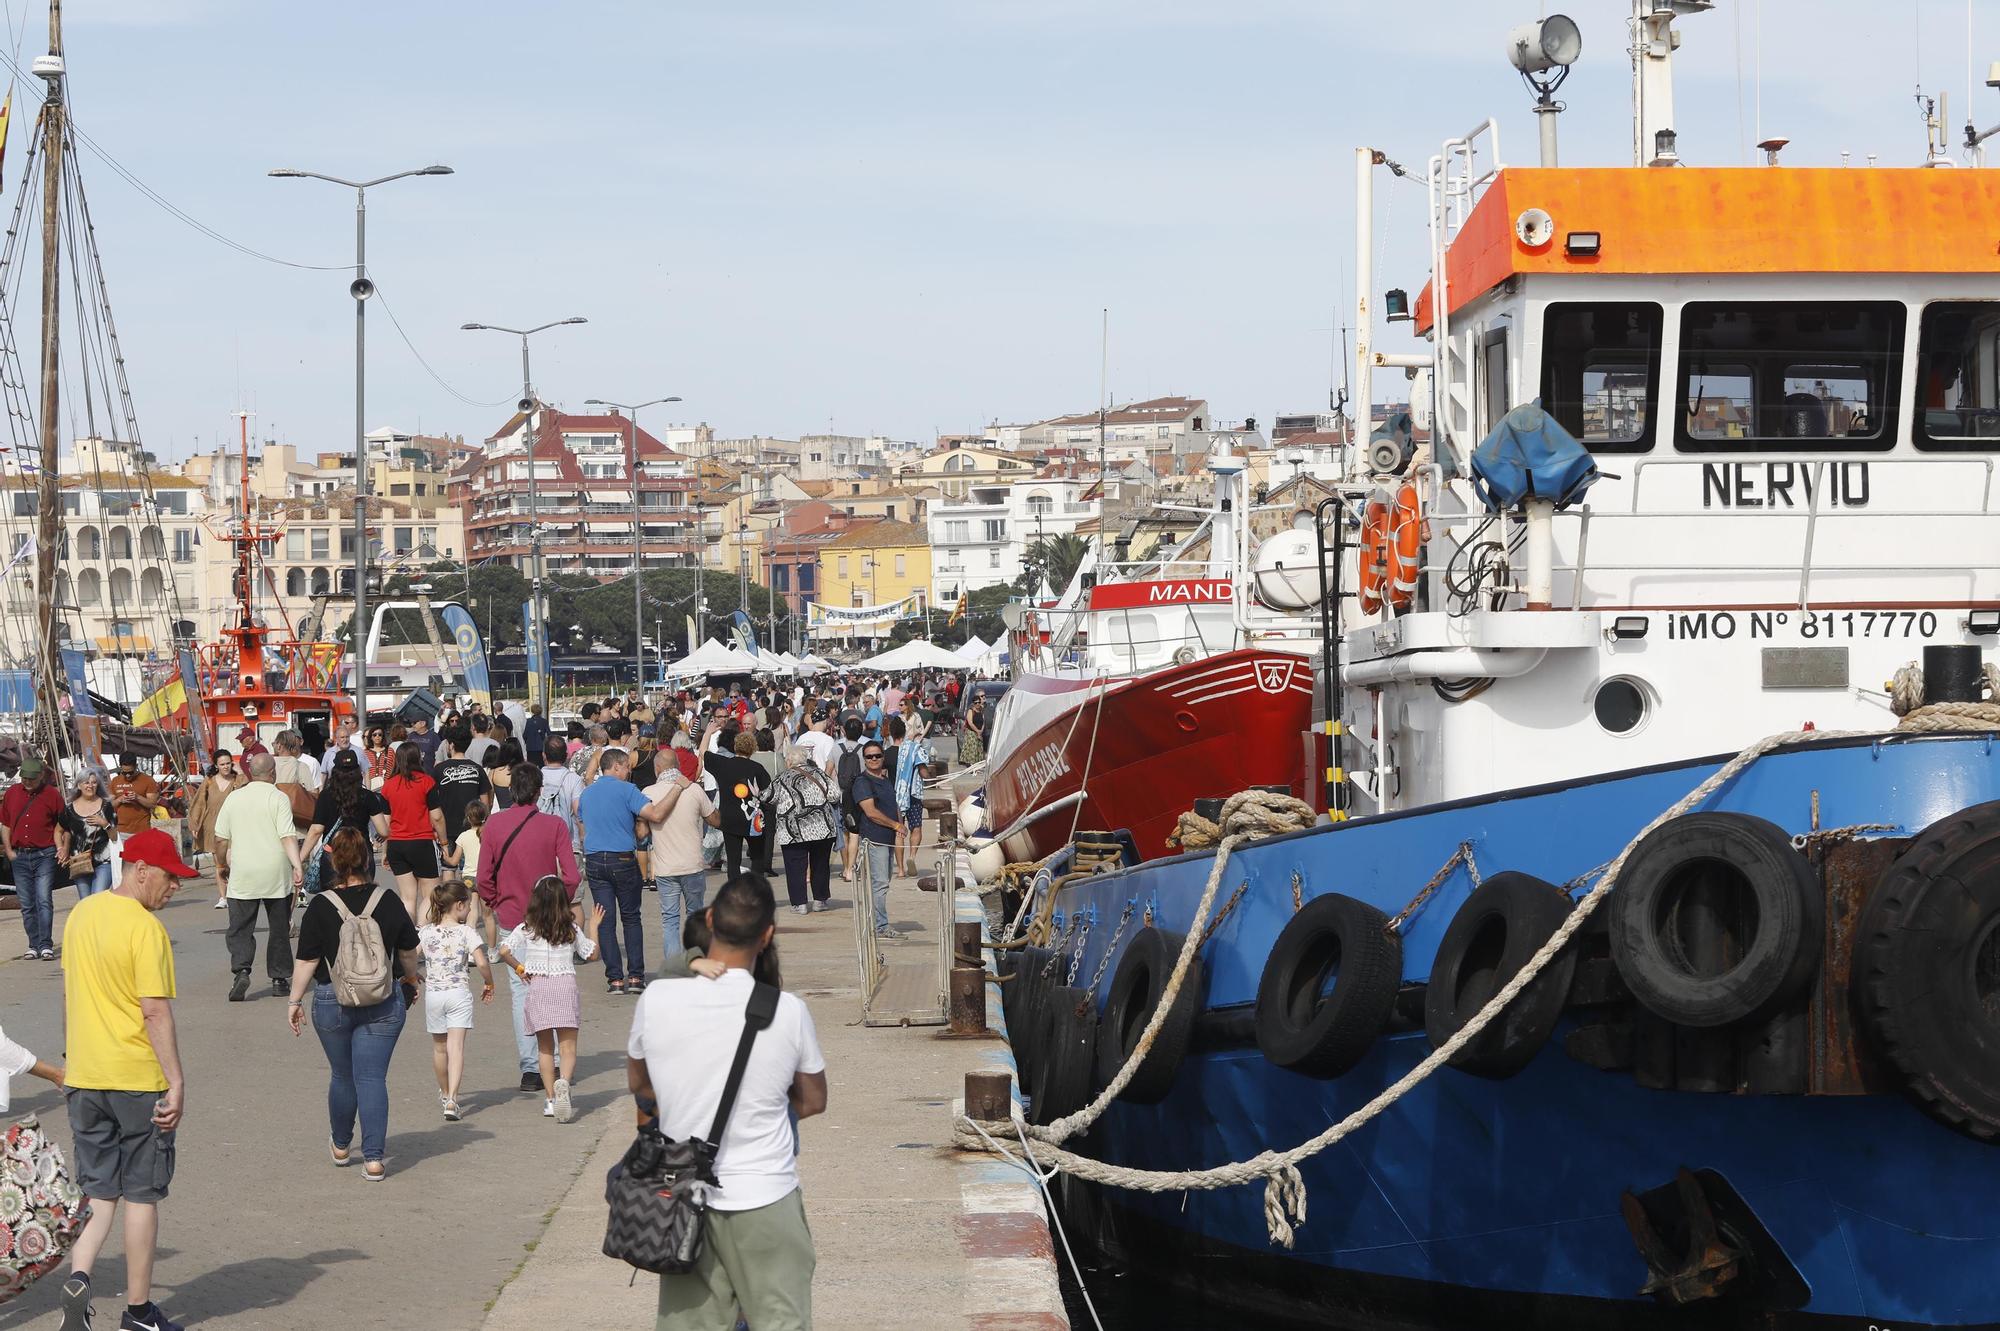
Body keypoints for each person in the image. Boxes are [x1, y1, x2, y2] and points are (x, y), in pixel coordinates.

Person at [627, 873, 826, 1331]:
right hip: (766, 1196)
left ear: (711, 919)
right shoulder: (786, 1009)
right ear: (768, 934)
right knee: (783, 1322)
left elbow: (640, 1083)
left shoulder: (657, 999)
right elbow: (814, 1100)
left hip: (684, 1197)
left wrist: (682, 1096)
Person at [56, 827, 195, 1331]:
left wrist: (72, 1055)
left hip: (86, 1075)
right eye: (169, 878)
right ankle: (138, 1312)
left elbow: (70, 993)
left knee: (97, 1190)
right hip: (136, 1079)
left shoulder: (82, 913)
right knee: (141, 1193)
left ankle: (79, 1277)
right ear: (140, 870)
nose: (174, 887)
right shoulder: (146, 929)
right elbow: (154, 1011)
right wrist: (175, 1081)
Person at [286, 827, 423, 1182]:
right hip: (382, 999)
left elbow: (306, 961)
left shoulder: (320, 906)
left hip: (333, 1000)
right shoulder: (389, 900)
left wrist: (294, 1000)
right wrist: (409, 979)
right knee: (372, 1077)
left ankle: (343, 1144)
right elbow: (408, 950)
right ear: (367, 860)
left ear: (333, 861)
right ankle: (375, 1158)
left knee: (343, 1075)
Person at [475, 764, 580, 1095]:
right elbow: (572, 875)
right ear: (538, 792)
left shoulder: (494, 824)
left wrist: (494, 901)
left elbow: (482, 877)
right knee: (557, 985)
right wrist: (561, 904)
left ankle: (532, 1067)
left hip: (511, 919)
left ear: (510, 790)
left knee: (523, 993)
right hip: (547, 919)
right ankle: (559, 1060)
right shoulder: (554, 825)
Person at [496, 876, 603, 1122]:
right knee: (567, 1049)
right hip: (564, 986)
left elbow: (503, 950)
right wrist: (594, 927)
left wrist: (521, 969)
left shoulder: (527, 928)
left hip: (539, 987)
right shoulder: (570, 928)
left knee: (545, 1049)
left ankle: (551, 1099)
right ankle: (563, 1082)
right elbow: (592, 954)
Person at [578, 747, 676, 994]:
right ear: (617, 766)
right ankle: (635, 977)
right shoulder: (628, 790)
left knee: (605, 919)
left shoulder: (587, 794)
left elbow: (581, 821)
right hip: (622, 858)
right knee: (631, 917)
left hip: (595, 859)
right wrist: (677, 789)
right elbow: (653, 813)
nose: (629, 772)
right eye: (627, 768)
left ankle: (615, 979)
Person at [213, 753, 304, 1003]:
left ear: (251, 772)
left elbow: (220, 838)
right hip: (275, 871)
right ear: (273, 772)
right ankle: (279, 979)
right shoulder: (279, 797)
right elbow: (287, 836)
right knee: (278, 927)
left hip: (244, 870)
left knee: (240, 927)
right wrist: (297, 866)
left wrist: (222, 863)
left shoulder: (234, 798)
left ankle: (241, 970)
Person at [643, 719, 724, 958]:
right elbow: (715, 820)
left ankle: (673, 969)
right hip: (692, 864)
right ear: (677, 766)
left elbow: (642, 830)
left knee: (670, 920)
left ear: (657, 769)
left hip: (665, 868)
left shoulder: (648, 793)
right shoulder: (694, 790)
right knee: (695, 915)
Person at [419, 880, 494, 1121]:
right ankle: (452, 1099)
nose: (471, 910)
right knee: (457, 1047)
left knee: (439, 1048)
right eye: (469, 906)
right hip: (459, 993)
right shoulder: (467, 932)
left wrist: (411, 974)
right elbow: (481, 962)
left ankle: (443, 1092)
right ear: (459, 905)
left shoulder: (427, 931)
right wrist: (489, 982)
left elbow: (409, 954)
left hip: (435, 995)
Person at [3, 754, 71, 961]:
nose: (27, 782)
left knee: (43, 899)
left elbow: (64, 826)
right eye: (24, 778)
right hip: (20, 854)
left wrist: (65, 847)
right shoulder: (12, 793)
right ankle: (33, 944)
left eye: (32, 778)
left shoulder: (53, 795)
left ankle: (45, 944)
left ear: (41, 776)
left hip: (45, 854)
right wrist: (8, 850)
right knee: (26, 902)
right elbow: (5, 824)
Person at [302, 748, 390, 895]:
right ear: (358, 772)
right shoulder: (367, 796)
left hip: (333, 853)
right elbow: (383, 830)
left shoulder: (326, 796)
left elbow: (316, 830)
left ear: (335, 771)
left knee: (334, 901)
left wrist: (300, 859)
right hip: (360, 852)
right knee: (361, 898)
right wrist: (382, 836)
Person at [378, 741, 444, 921]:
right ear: (417, 758)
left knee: (407, 897)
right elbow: (437, 817)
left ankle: (410, 936)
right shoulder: (427, 782)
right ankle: (423, 932)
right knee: (430, 895)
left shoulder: (388, 785)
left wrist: (385, 850)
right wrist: (444, 843)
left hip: (396, 844)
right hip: (422, 841)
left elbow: (386, 822)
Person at [773, 743, 838, 915]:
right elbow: (835, 795)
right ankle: (820, 900)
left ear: (788, 761)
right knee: (820, 864)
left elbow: (768, 796)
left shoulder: (782, 777)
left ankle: (799, 903)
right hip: (821, 828)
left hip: (793, 831)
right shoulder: (819, 773)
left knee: (795, 866)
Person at [852, 739, 905, 940]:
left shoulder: (884, 779)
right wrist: (895, 825)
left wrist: (899, 824)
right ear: (864, 760)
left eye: (877, 755)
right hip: (875, 838)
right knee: (880, 883)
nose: (874, 759)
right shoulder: (863, 782)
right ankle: (881, 926)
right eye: (869, 756)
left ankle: (878, 922)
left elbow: (893, 804)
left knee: (883, 882)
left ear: (883, 757)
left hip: (888, 838)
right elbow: (871, 812)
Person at [184, 751, 239, 907]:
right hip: (212, 826)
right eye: (222, 764)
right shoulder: (209, 781)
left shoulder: (238, 780)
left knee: (231, 861)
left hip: (233, 826)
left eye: (228, 763)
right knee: (219, 864)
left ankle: (235, 893)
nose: (226, 766)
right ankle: (223, 897)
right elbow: (199, 803)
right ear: (216, 766)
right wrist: (195, 824)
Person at [430, 724, 491, 850]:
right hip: (473, 826)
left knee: (449, 866)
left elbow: (432, 802)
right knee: (471, 866)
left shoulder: (438, 770)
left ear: (451, 745)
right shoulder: (478, 769)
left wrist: (433, 827)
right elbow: (485, 802)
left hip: (446, 828)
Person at [66, 768, 117, 899]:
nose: (90, 785)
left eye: (94, 782)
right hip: (79, 862)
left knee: (97, 898)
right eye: (86, 782)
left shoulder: (106, 806)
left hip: (103, 861)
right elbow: (62, 830)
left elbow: (115, 836)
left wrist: (104, 824)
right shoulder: (69, 809)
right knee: (85, 901)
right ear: (79, 785)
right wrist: (62, 848)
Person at [536, 735, 586, 850]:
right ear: (566, 755)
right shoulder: (574, 779)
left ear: (544, 755)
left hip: (539, 842)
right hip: (568, 842)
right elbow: (578, 811)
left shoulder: (535, 776)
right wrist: (583, 836)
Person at [106, 754, 159, 852]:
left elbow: (152, 804)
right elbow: (109, 806)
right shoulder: (115, 781)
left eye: (130, 772)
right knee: (124, 863)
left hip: (142, 830)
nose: (128, 775)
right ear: (120, 767)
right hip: (121, 832)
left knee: (142, 862)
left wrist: (137, 797)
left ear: (136, 766)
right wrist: (120, 800)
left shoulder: (148, 780)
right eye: (124, 772)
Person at [319, 715, 370, 781]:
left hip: (354, 789)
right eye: (342, 737)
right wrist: (321, 791)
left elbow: (366, 772)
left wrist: (368, 790)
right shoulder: (329, 753)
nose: (345, 740)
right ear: (336, 739)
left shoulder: (359, 751)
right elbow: (323, 774)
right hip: (334, 789)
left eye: (347, 737)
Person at [961, 693, 988, 766]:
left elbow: (983, 721)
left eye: (979, 702)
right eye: (976, 703)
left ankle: (977, 765)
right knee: (972, 749)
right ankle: (971, 765)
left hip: (979, 732)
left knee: (979, 749)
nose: (977, 704)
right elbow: (970, 722)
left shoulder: (981, 710)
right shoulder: (971, 711)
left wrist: (981, 731)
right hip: (972, 733)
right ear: (973, 703)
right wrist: (977, 731)